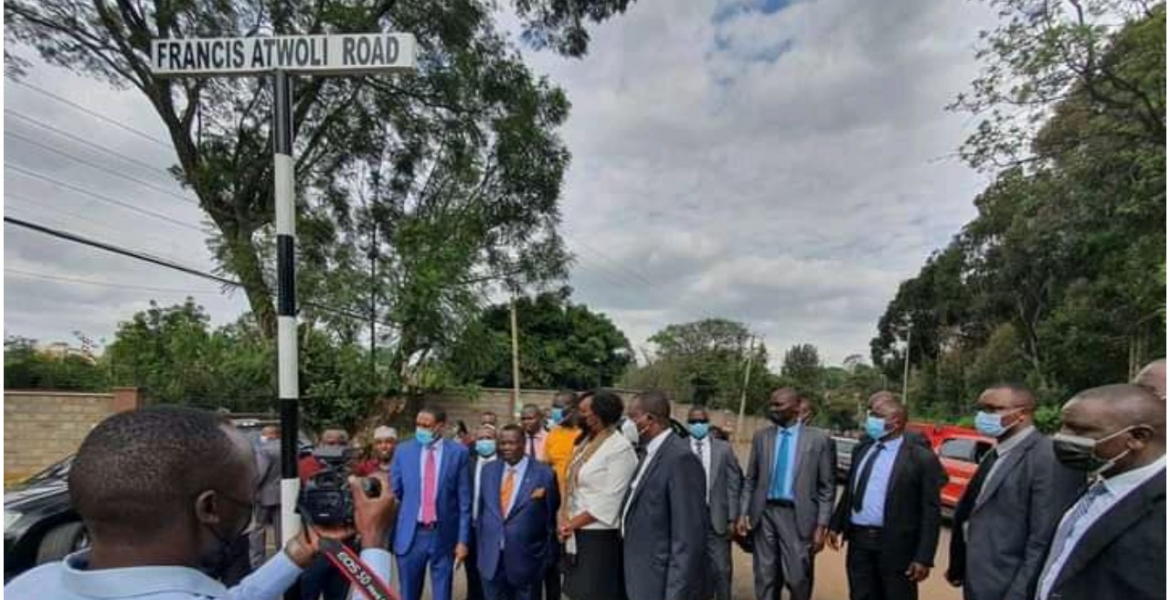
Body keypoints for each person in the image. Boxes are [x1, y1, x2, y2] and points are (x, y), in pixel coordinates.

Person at [4, 405, 397, 600]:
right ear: (210, 508)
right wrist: (375, 544)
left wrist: (295, 552)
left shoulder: (29, 586)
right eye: (246, 498)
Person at [946, 384, 1083, 600]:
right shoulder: (995, 454)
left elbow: (1044, 539)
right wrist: (959, 565)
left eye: (993, 409)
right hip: (979, 579)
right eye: (981, 408)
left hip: (1009, 586)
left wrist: (1019, 594)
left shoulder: (1048, 458)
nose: (983, 415)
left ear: (1021, 414)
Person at [1034, 384, 1165, 600]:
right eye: (1063, 426)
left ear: (1138, 437)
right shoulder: (1098, 482)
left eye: (1079, 430)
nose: (1061, 437)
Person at [828, 394, 944, 600]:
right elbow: (851, 491)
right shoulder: (862, 449)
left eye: (877, 415)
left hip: (897, 546)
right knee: (860, 594)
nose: (870, 419)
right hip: (859, 542)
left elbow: (930, 511)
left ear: (896, 422)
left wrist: (924, 557)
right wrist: (836, 524)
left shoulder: (920, 458)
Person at [738, 388, 835, 600]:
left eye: (778, 405)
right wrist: (743, 512)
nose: (773, 409)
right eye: (771, 404)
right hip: (764, 515)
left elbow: (827, 488)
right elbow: (751, 479)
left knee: (798, 578)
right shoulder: (762, 437)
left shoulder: (818, 440)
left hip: (798, 517)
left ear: (796, 407)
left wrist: (821, 526)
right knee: (765, 576)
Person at [621, 391, 707, 600]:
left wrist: (675, 594)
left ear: (649, 420)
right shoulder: (646, 453)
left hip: (658, 579)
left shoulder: (680, 459)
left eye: (632, 417)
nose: (627, 424)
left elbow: (686, 538)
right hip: (637, 571)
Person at [559, 390, 638, 600]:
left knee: (593, 593)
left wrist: (570, 524)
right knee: (574, 593)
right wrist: (563, 517)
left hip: (598, 537)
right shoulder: (585, 443)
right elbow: (571, 484)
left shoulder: (620, 448)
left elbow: (610, 502)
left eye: (584, 411)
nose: (580, 415)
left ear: (600, 414)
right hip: (575, 532)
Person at [391, 407, 472, 600]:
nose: (421, 429)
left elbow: (464, 501)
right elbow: (397, 491)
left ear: (440, 427)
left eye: (426, 426)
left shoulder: (458, 453)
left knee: (442, 593)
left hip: (442, 534)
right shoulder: (403, 451)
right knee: (408, 593)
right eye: (418, 424)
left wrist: (462, 541)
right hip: (411, 534)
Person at [476, 425, 560, 600]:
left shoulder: (544, 473)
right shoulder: (488, 470)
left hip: (527, 560)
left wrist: (545, 557)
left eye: (511, 443)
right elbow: (483, 511)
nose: (506, 447)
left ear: (523, 443)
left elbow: (550, 518)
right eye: (502, 443)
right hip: (491, 559)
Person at [686, 406, 743, 600]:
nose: (698, 425)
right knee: (690, 570)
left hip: (716, 520)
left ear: (708, 423)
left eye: (702, 421)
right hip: (686, 521)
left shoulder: (723, 449)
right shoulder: (678, 447)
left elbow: (734, 483)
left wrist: (732, 517)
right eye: (693, 422)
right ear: (687, 424)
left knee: (721, 570)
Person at [299, 428, 358, 600]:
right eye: (330, 443)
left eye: (340, 443)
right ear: (320, 444)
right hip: (314, 543)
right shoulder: (305, 466)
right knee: (309, 590)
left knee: (338, 592)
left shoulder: (354, 468)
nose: (335, 447)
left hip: (345, 544)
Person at [540, 390, 579, 600]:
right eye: (553, 405)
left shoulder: (586, 433)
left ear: (573, 408)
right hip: (555, 508)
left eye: (559, 406)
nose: (555, 411)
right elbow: (545, 468)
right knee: (554, 561)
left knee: (577, 562)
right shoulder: (553, 434)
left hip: (580, 509)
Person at [468, 424, 499, 600]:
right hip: (472, 527)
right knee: (472, 571)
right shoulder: (468, 462)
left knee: (492, 571)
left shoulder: (504, 464)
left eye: (489, 438)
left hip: (494, 529)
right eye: (480, 438)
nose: (484, 442)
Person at [251, 425, 283, 568]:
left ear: (271, 435)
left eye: (264, 434)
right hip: (284, 493)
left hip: (263, 495)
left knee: (257, 529)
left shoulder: (265, 450)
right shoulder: (292, 448)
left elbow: (259, 473)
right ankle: (282, 561)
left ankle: (257, 562)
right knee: (281, 529)